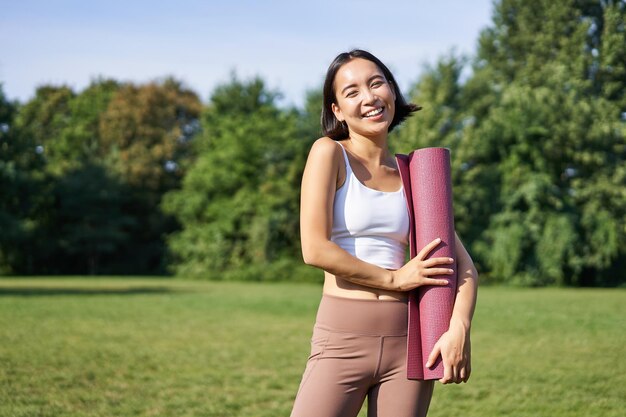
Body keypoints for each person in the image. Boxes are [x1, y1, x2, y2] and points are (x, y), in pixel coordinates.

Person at [290, 49, 478, 417]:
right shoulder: (329, 153)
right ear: (337, 110)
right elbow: (314, 249)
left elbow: (464, 268)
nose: (369, 97)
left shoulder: (417, 173)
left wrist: (459, 327)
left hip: (410, 342)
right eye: (352, 91)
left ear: (392, 91)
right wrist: (395, 278)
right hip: (341, 338)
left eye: (377, 83)